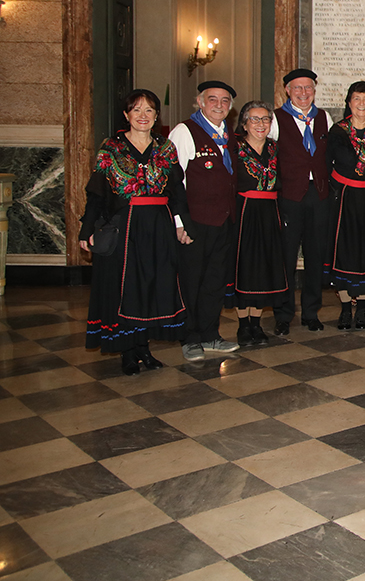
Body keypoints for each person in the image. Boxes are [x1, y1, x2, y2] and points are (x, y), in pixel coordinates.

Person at [79, 89, 187, 375]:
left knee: (151, 287)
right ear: (126, 115)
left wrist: (182, 224)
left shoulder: (166, 149)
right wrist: (86, 229)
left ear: (156, 116)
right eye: (136, 110)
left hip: (158, 227)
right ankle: (127, 351)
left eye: (149, 110)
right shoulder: (111, 149)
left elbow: (178, 192)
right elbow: (97, 194)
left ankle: (144, 348)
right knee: (125, 288)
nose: (143, 116)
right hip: (124, 226)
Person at [169, 80, 243, 360]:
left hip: (224, 220)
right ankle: (189, 337)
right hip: (195, 222)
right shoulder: (185, 132)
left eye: (225, 101)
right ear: (200, 102)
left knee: (214, 280)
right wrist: (180, 223)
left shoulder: (228, 135)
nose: (219, 105)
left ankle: (210, 334)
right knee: (191, 281)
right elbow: (174, 182)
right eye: (213, 99)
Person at [271, 69, 332, 334]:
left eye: (308, 88)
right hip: (288, 196)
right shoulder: (275, 119)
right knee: (285, 255)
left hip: (317, 195)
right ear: (287, 91)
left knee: (315, 255)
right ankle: (283, 313)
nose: (304, 93)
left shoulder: (324, 117)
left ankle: (311, 312)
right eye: (298, 88)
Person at [325, 81, 365, 329]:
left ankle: (361, 309)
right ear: (349, 103)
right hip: (343, 199)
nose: (361, 104)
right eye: (356, 99)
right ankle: (344, 308)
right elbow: (335, 164)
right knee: (344, 253)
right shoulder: (337, 132)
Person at [227, 101, 284, 346]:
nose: (260, 124)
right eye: (254, 119)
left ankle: (257, 324)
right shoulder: (233, 148)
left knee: (265, 268)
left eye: (265, 119)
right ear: (244, 123)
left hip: (270, 212)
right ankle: (243, 326)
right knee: (245, 267)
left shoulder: (275, 148)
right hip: (244, 212)